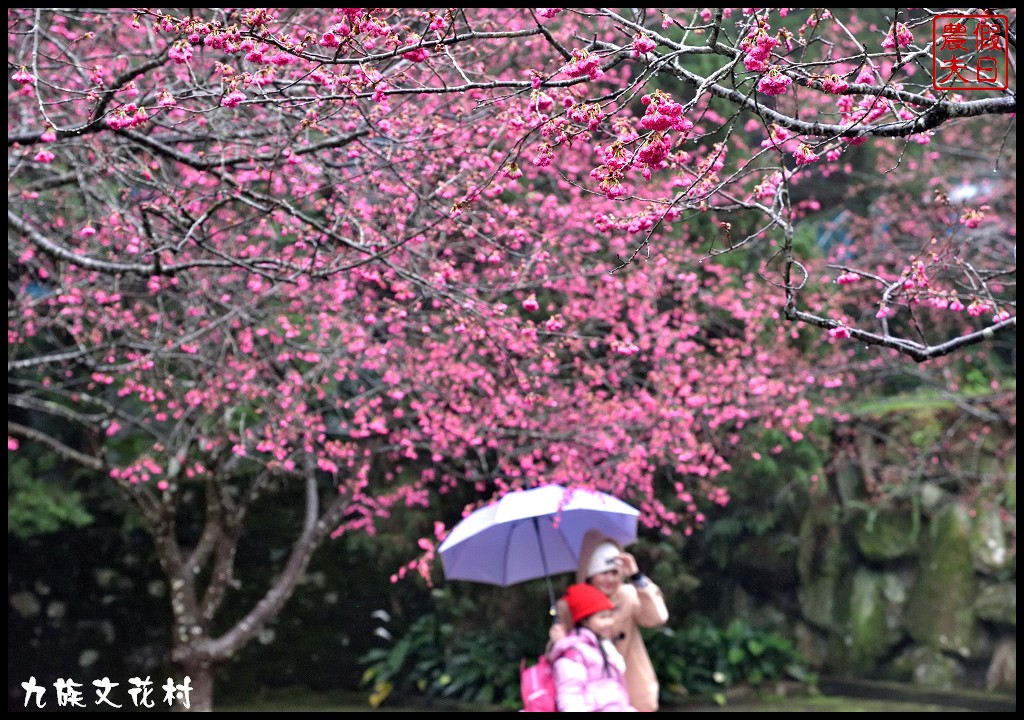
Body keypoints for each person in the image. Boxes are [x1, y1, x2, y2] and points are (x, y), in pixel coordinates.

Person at [549, 530, 669, 712]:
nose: (610, 579)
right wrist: (557, 641)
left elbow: (657, 617)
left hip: (632, 684)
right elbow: (561, 658)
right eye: (603, 573)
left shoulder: (628, 594)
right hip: (591, 698)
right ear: (590, 574)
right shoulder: (569, 604)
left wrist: (636, 577)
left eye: (615, 573)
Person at [549, 583, 638, 712]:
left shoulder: (602, 647)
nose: (609, 622)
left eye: (610, 616)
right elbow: (570, 699)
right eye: (602, 617)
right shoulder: (574, 653)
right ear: (584, 620)